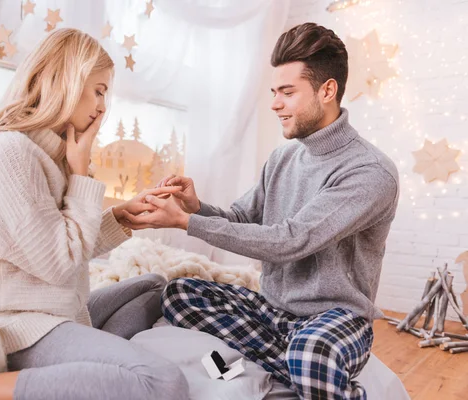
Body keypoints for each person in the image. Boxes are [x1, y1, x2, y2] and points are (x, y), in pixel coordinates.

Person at [120, 22, 399, 400]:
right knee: (179, 293)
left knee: (314, 353)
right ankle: (293, 363)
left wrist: (187, 222)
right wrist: (196, 207)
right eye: (273, 92)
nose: (274, 104)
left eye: (287, 92)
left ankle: (308, 365)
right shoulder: (284, 157)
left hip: (334, 317)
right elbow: (239, 220)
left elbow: (290, 240)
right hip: (271, 310)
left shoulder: (369, 172)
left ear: (327, 90)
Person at [0, 28, 188, 400]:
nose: (103, 107)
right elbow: (59, 263)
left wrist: (118, 218)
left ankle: (87, 361)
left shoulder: (47, 156)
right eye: (98, 91)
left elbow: (62, 244)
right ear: (66, 82)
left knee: (155, 286)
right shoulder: (11, 152)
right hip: (14, 324)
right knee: (164, 382)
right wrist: (80, 174)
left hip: (54, 310)